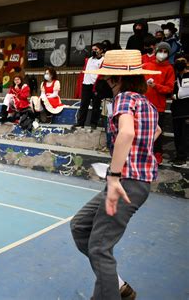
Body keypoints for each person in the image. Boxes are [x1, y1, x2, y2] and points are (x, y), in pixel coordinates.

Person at [70, 49, 162, 300]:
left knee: (99, 248)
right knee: (80, 227)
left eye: (106, 77)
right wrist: (137, 156)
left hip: (126, 182)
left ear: (114, 79)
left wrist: (114, 175)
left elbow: (127, 133)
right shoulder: (148, 105)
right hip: (136, 180)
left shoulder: (123, 99)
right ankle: (117, 284)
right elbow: (156, 132)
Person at [142, 42, 176, 164]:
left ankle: (157, 154)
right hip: (143, 104)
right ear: (156, 52)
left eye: (165, 51)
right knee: (143, 131)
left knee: (158, 132)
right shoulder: (146, 65)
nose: (162, 54)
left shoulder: (169, 68)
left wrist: (156, 86)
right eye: (160, 51)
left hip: (158, 106)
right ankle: (144, 153)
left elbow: (169, 88)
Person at [74, 43, 104, 130]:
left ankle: (93, 124)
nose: (93, 51)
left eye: (96, 49)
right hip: (86, 84)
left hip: (95, 85)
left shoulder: (103, 60)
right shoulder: (88, 59)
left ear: (101, 50)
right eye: (92, 49)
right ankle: (80, 123)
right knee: (83, 105)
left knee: (96, 106)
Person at [170, 57, 189, 168]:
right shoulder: (175, 77)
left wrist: (177, 96)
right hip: (177, 111)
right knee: (178, 135)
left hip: (186, 110)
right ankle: (179, 156)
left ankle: (182, 157)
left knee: (185, 136)